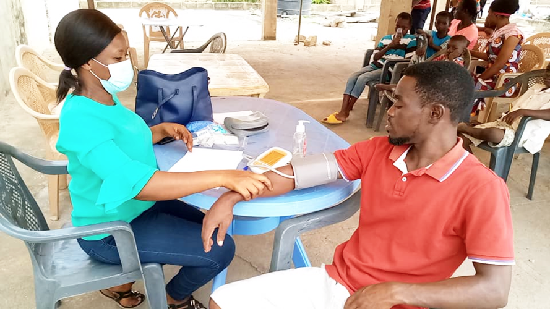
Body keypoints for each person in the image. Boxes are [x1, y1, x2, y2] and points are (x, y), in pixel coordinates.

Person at [204, 62, 514, 309]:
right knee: (224, 301)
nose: (388, 112)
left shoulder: (481, 189)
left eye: (398, 104)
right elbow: (298, 173)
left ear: (435, 114)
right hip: (336, 281)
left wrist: (393, 292)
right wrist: (231, 197)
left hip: (398, 303)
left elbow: (494, 290)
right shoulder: (378, 150)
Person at [54, 9, 272, 309]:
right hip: (110, 230)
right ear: (88, 62)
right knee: (220, 248)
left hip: (136, 206)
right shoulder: (80, 118)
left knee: (215, 226)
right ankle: (173, 297)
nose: (127, 64)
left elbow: (118, 138)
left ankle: (122, 284)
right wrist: (223, 176)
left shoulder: (103, 94)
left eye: (126, 54)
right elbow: (139, 184)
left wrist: (156, 131)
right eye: (119, 58)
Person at [323, 12, 416, 124]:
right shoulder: (386, 38)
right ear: (395, 24)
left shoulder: (411, 41)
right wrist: (390, 46)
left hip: (388, 70)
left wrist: (398, 46)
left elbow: (407, 61)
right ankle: (344, 109)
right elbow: (376, 56)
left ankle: (346, 111)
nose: (400, 30)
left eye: (404, 28)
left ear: (409, 27)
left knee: (363, 78)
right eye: (398, 27)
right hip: (376, 65)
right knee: (353, 76)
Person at [459, 64, 550, 154]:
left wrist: (522, 112)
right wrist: (490, 123)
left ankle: (465, 128)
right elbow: (515, 107)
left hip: (524, 135)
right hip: (506, 126)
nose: (548, 75)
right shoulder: (537, 87)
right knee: (461, 139)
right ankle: (474, 167)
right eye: (548, 70)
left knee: (492, 134)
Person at [470, 0, 523, 112]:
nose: (487, 17)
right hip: (492, 77)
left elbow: (498, 65)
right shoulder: (499, 32)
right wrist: (470, 52)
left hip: (504, 83)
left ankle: (464, 118)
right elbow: (491, 57)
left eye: (489, 13)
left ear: (497, 15)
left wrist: (480, 78)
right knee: (461, 77)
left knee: (467, 86)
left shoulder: (512, 34)